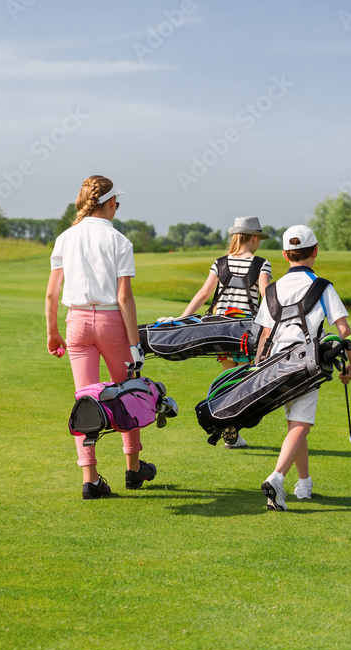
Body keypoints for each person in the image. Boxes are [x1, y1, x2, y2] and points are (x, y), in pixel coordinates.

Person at [45, 175, 157, 500]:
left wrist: (53, 333)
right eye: (117, 202)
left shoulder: (65, 238)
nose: (117, 207)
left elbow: (52, 293)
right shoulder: (119, 241)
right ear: (109, 204)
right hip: (111, 323)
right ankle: (133, 468)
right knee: (129, 394)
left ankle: (90, 479)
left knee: (86, 401)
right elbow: (124, 298)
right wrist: (135, 345)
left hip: (76, 323)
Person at [254, 225, 351, 511]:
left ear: (285, 254)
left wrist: (256, 369)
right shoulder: (322, 286)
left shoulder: (272, 289)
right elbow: (343, 329)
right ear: (315, 251)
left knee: (294, 424)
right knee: (301, 424)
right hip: (307, 363)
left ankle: (304, 483)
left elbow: (265, 334)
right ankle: (277, 478)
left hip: (274, 365)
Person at [167, 216, 273, 449]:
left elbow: (204, 294)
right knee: (245, 382)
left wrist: (182, 318)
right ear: (254, 238)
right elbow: (267, 297)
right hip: (247, 333)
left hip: (222, 332)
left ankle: (228, 428)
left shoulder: (220, 263)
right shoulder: (262, 264)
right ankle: (233, 426)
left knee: (227, 379)